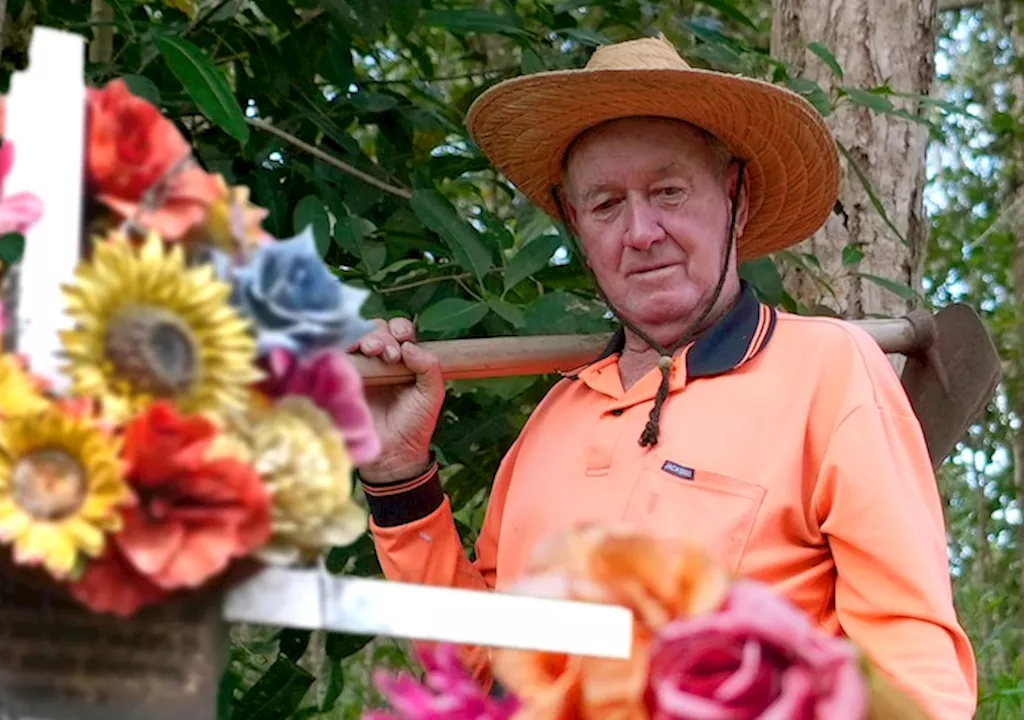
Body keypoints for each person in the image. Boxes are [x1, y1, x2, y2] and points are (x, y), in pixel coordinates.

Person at [350, 35, 977, 719]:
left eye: (668, 191)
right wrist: (397, 477)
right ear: (576, 226)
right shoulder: (552, 425)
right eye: (606, 204)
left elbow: (916, 675)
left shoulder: (829, 374)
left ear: (735, 199)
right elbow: (486, 671)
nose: (641, 231)